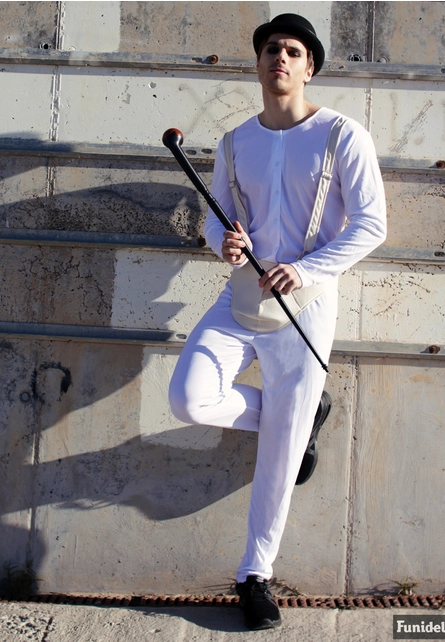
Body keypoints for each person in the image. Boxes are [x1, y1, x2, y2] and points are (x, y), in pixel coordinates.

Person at [169, 13, 386, 631]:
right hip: (240, 299)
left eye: (293, 51)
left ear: (308, 66)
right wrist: (224, 244)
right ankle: (299, 418)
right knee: (188, 398)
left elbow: (372, 224)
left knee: (280, 458)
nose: (280, 59)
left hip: (306, 306)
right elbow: (215, 217)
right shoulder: (236, 142)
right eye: (271, 49)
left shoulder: (342, 135)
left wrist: (308, 268)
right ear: (259, 62)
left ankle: (254, 574)